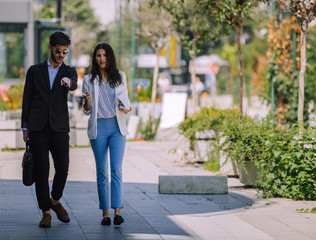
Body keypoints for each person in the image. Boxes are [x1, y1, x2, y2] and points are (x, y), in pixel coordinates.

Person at [21, 31, 78, 228]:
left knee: (63, 167)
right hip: (37, 127)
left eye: (65, 52)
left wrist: (69, 83)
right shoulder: (34, 71)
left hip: (59, 126)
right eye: (58, 51)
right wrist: (25, 126)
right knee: (41, 170)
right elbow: (27, 98)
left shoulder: (69, 71)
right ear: (50, 48)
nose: (61, 55)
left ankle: (55, 200)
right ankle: (46, 211)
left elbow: (74, 84)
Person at [82, 43, 132, 226]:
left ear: (110, 57)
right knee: (102, 172)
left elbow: (125, 102)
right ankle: (105, 214)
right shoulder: (88, 79)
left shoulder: (120, 77)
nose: (101, 58)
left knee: (116, 170)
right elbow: (87, 111)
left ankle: (117, 211)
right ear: (94, 58)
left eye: (104, 55)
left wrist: (127, 108)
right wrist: (87, 102)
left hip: (117, 128)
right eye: (98, 55)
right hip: (99, 128)